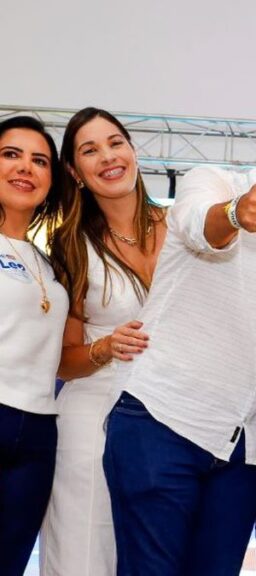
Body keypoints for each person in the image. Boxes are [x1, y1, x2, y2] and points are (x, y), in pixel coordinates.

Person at [102, 89, 256, 575]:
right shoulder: (212, 180)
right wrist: (236, 213)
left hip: (243, 450)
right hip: (162, 422)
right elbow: (197, 226)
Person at [41, 108, 167, 576]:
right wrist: (104, 347)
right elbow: (62, 361)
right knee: (85, 555)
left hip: (171, 417)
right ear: (74, 173)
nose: (108, 156)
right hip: (93, 417)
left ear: (133, 151)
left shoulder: (182, 227)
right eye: (90, 150)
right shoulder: (71, 245)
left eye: (116, 142)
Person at [0, 116, 68, 576]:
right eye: (11, 154)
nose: (26, 168)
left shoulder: (49, 261)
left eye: (40, 160)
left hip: (40, 430)